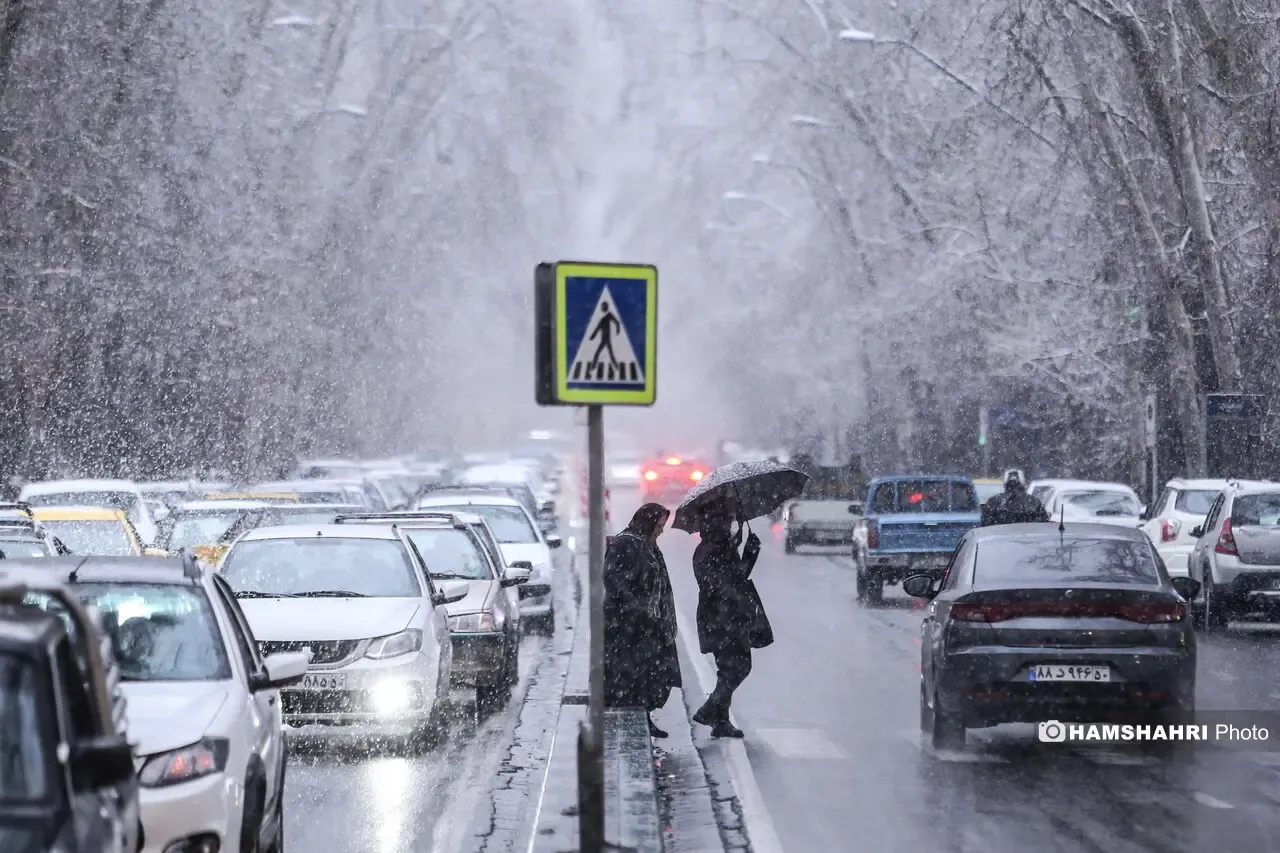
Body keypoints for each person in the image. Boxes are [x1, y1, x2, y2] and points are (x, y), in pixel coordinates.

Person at [691, 498, 772, 738]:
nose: (730, 524)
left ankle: (720, 720)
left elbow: (736, 577)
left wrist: (748, 551)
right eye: (726, 520)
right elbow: (725, 584)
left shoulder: (719, 547)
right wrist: (746, 553)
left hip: (725, 616)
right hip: (722, 617)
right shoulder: (710, 550)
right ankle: (711, 708)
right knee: (738, 666)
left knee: (728, 668)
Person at [603, 503, 681, 737]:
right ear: (647, 522)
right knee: (633, 677)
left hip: (648, 624)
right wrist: (636, 608)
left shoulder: (648, 545)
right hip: (628, 627)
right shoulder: (626, 544)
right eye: (658, 525)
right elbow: (613, 580)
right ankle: (636, 722)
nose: (661, 531)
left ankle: (642, 717)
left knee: (649, 675)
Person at [981, 470, 1050, 525]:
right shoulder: (1034, 501)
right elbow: (1043, 522)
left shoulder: (994, 501)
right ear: (1022, 484)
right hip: (1028, 540)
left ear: (1005, 485)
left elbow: (985, 523)